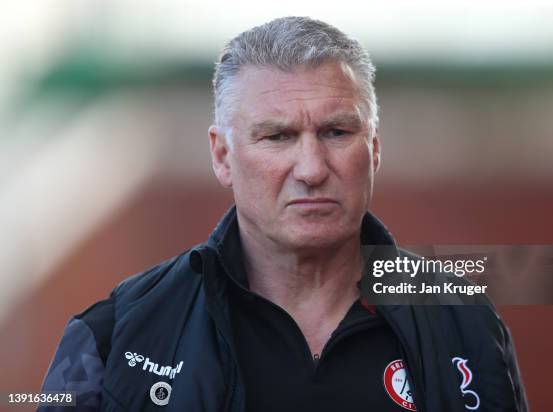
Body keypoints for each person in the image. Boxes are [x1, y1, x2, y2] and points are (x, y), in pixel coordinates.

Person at [40, 16, 528, 411]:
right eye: (277, 137)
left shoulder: (466, 323)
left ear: (374, 149)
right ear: (223, 156)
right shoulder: (117, 335)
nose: (312, 169)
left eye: (337, 132)